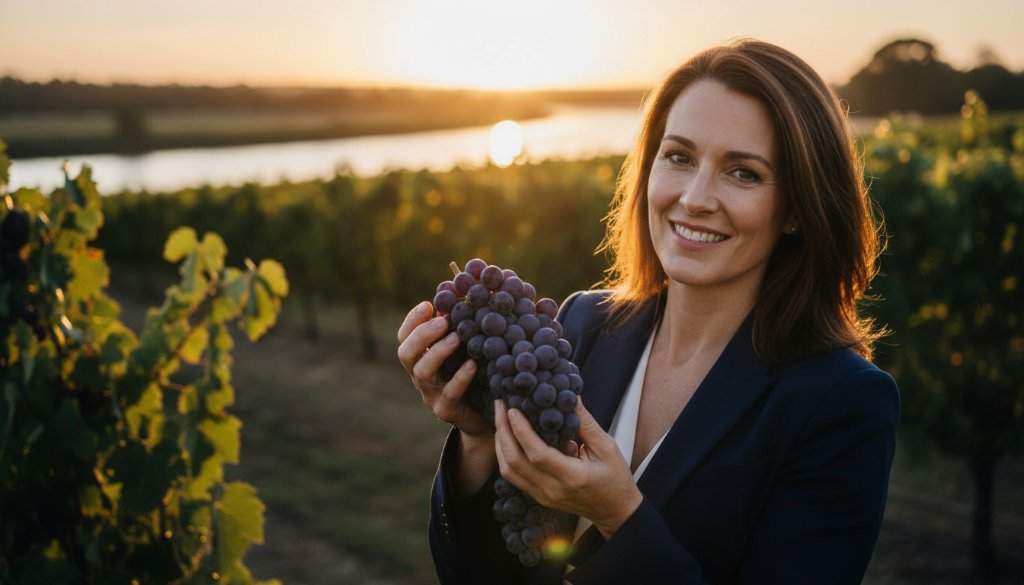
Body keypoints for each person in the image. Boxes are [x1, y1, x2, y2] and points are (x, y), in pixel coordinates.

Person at [397, 38, 899, 584]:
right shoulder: (580, 325)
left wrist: (621, 517)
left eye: (743, 173)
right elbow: (480, 575)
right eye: (679, 157)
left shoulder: (841, 402)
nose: (695, 197)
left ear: (798, 210)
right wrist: (478, 440)